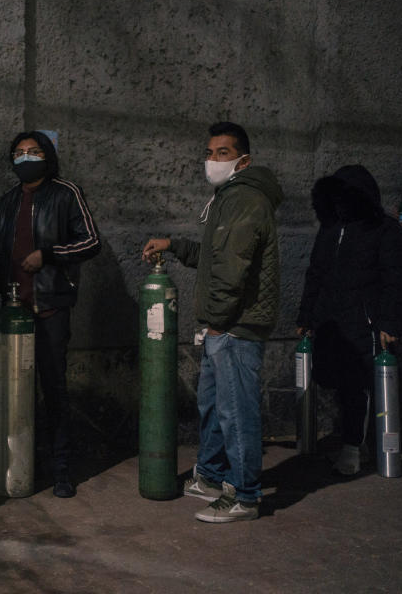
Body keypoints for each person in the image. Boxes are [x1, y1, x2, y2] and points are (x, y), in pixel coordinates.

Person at [142, 122, 283, 523]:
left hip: (236, 326)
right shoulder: (229, 197)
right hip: (223, 323)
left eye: (223, 153)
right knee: (213, 406)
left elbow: (232, 269)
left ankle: (245, 496)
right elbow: (215, 255)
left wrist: (218, 322)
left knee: (236, 412)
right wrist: (175, 246)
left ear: (244, 160)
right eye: (209, 152)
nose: (212, 160)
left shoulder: (246, 200)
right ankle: (211, 477)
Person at [0, 130, 101, 498]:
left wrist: (48, 255)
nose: (25, 157)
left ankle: (61, 470)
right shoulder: (8, 201)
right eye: (18, 152)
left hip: (50, 308)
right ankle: (17, 466)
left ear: (47, 156)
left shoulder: (66, 193)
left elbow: (91, 241)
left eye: (32, 151)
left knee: (54, 389)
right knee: (13, 392)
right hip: (13, 311)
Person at [296, 165, 402, 475]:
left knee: (357, 385)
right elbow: (315, 275)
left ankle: (352, 447)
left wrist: (389, 323)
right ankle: (358, 441)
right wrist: (306, 316)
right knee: (334, 379)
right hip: (331, 322)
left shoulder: (384, 229)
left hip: (365, 322)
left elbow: (397, 279)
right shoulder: (331, 229)